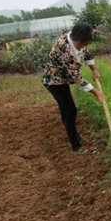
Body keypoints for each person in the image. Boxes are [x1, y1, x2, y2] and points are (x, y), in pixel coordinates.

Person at [42, 22, 103, 153]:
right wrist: (96, 92)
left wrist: (94, 70)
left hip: (63, 79)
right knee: (70, 110)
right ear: (76, 39)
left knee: (66, 109)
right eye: (82, 44)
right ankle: (76, 145)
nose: (83, 47)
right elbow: (76, 76)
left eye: (85, 44)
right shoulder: (64, 48)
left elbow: (86, 54)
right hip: (54, 81)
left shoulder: (78, 39)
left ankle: (73, 134)